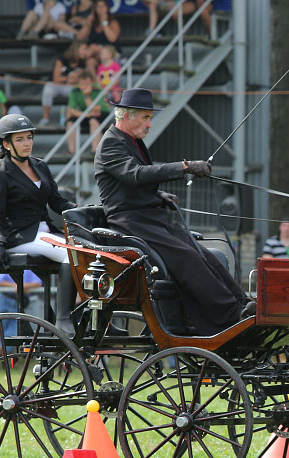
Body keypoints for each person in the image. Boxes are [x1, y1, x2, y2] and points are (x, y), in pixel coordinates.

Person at [94, 87, 253, 335]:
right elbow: (134, 175)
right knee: (186, 258)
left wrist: (158, 195)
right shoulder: (110, 144)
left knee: (206, 255)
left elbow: (126, 185)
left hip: (150, 216)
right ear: (126, 116)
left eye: (149, 117)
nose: (150, 124)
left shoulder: (132, 142)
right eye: (145, 117)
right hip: (130, 222)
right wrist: (185, 166)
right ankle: (228, 316)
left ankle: (243, 305)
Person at [0, 113, 79, 334]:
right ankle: (63, 319)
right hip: (20, 237)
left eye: (29, 137)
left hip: (45, 233)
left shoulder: (40, 166)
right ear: (6, 144)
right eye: (20, 139)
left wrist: (82, 209)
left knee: (88, 252)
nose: (27, 143)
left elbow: (56, 202)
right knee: (70, 254)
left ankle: (84, 312)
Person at [40, 40, 95, 126]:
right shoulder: (62, 59)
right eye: (84, 49)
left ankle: (69, 118)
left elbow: (85, 79)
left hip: (71, 87)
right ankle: (45, 118)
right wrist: (68, 79)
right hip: (58, 85)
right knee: (48, 89)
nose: (86, 51)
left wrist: (75, 80)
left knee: (78, 90)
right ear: (76, 49)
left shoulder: (84, 62)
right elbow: (56, 78)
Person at [0, 270, 43, 356]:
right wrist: (17, 286)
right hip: (3, 298)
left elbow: (38, 283)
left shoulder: (28, 269)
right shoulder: (6, 265)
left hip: (18, 300)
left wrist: (21, 286)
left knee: (15, 329)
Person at [66, 70, 107, 154]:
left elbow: (97, 109)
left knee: (93, 121)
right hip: (86, 113)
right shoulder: (75, 90)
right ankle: (71, 151)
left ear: (91, 82)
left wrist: (87, 96)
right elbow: (71, 110)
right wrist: (87, 115)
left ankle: (95, 150)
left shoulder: (97, 89)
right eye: (82, 84)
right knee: (70, 123)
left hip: (101, 113)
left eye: (87, 84)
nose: (84, 87)